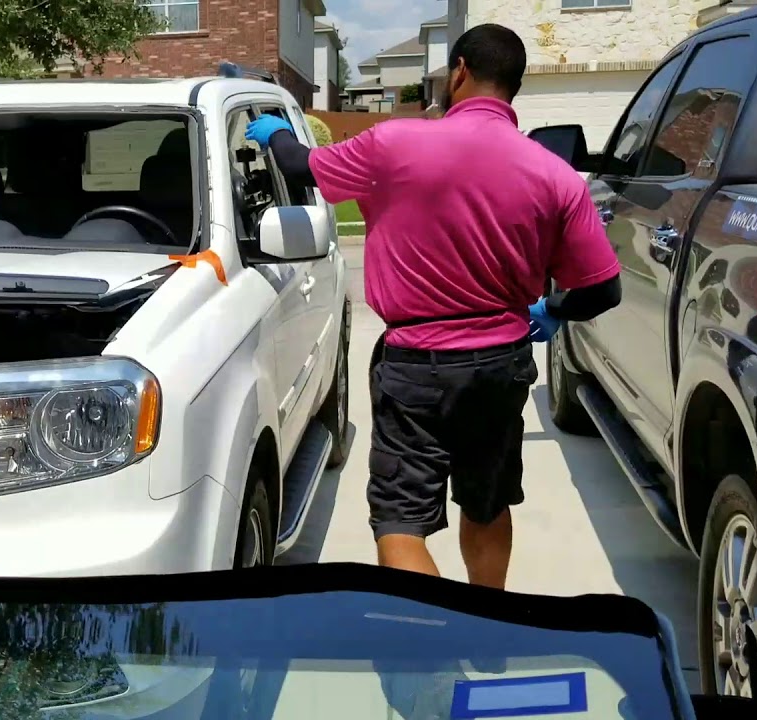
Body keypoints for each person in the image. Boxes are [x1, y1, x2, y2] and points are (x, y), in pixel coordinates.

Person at [244, 23, 622, 590]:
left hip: (414, 363)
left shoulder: (393, 145)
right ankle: (489, 625)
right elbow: (603, 289)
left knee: (400, 522)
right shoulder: (555, 175)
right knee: (488, 502)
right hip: (500, 362)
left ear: (461, 70)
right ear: (514, 86)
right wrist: (551, 311)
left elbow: (301, 167)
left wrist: (273, 132)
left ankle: (434, 649)